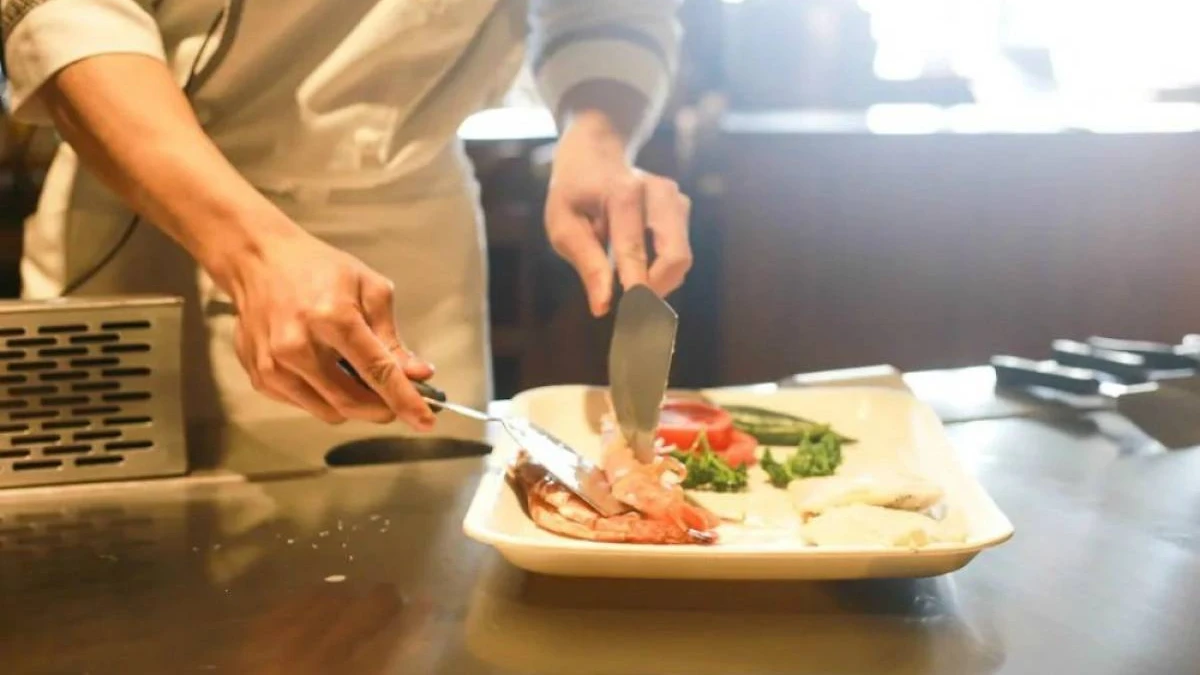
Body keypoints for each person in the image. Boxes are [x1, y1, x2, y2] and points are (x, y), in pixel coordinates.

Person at [0, 0, 693, 432]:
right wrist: (252, 251)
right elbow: (65, 15)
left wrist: (598, 137)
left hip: (414, 234)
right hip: (158, 207)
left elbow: (606, 13)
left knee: (422, 583)